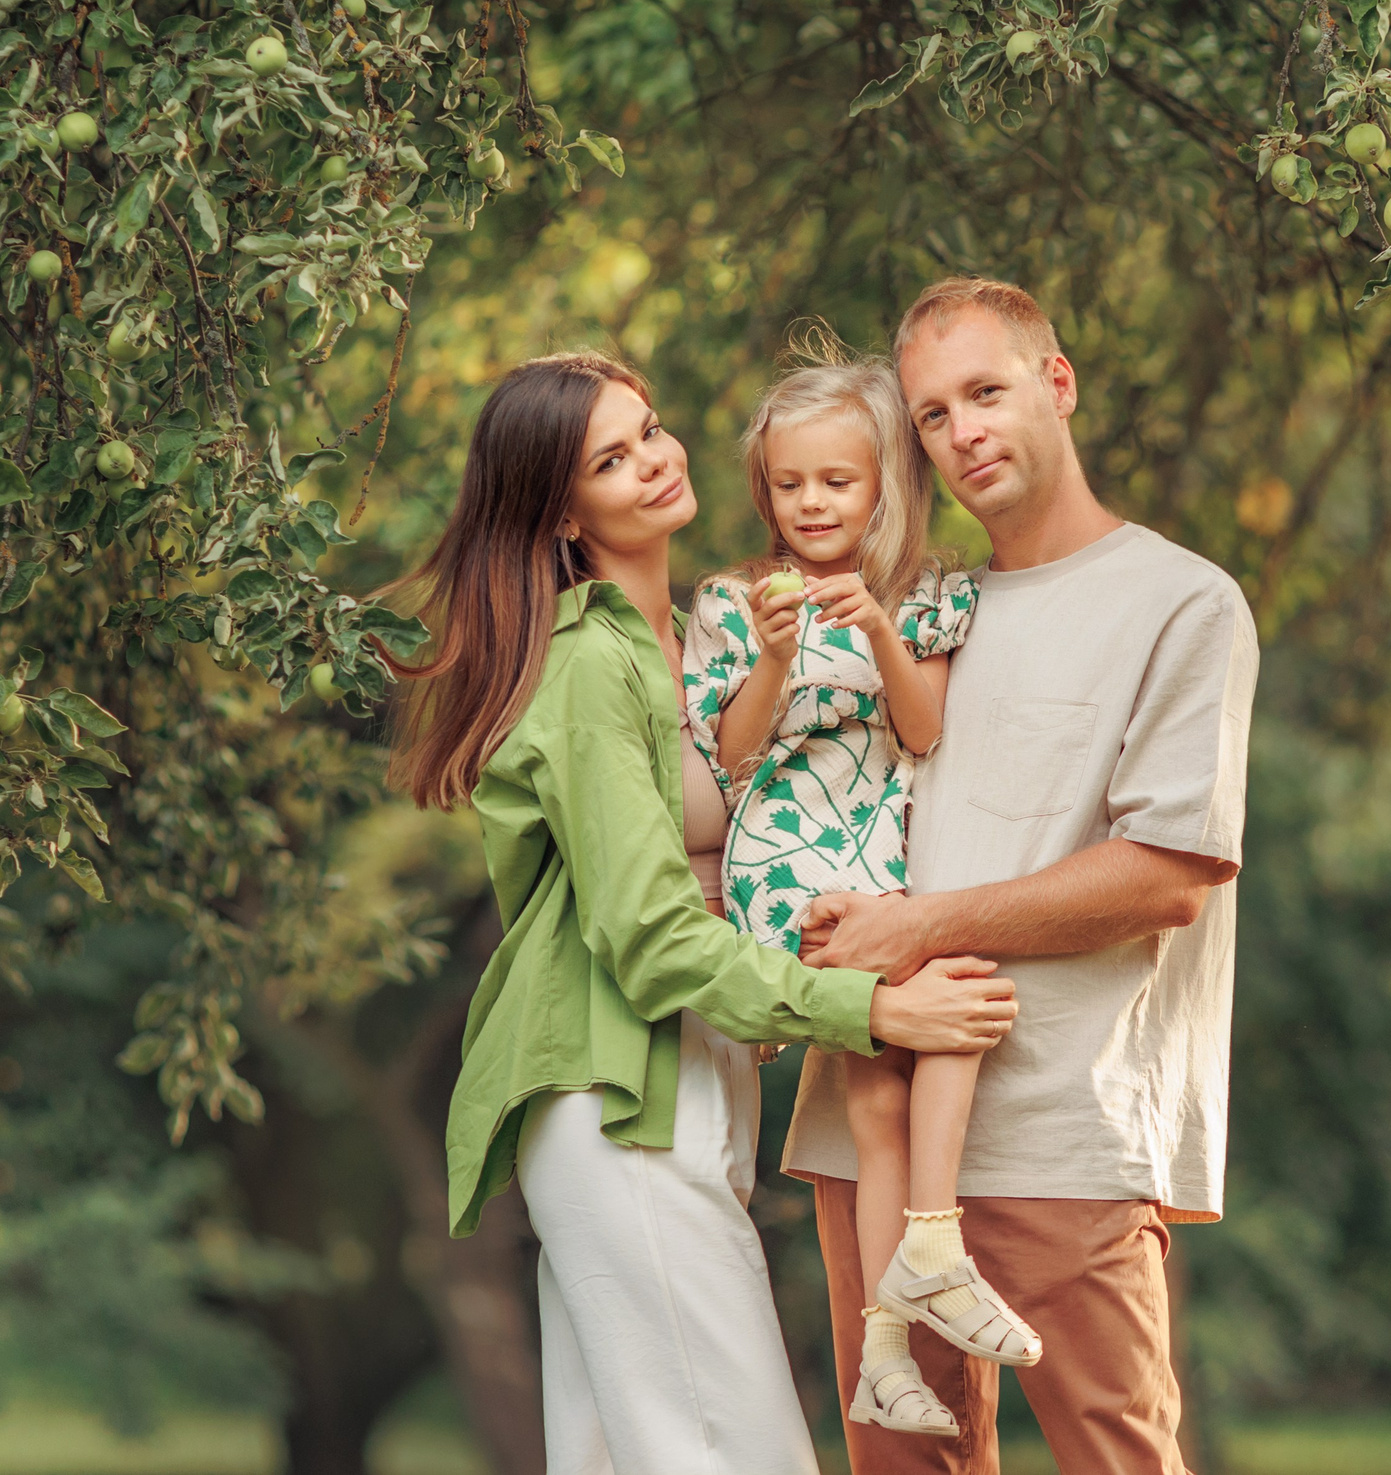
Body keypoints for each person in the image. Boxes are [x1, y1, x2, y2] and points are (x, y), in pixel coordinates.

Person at [391, 350, 1022, 1475]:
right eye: (610, 459)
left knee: (612, 1456)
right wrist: (873, 1011)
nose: (653, 462)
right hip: (617, 1101)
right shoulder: (587, 666)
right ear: (558, 512)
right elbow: (648, 935)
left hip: (685, 1085)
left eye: (651, 428)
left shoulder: (693, 639)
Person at [784, 279, 1261, 1475]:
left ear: (1058, 383)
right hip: (874, 1115)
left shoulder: (1181, 602)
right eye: (933, 416)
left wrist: (918, 926)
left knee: (1120, 1461)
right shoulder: (909, 606)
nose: (963, 434)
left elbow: (1166, 876)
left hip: (1064, 1124)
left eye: (985, 393)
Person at [683, 354, 1030, 1443]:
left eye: (836, 482)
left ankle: (886, 1348)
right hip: (789, 867)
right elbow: (733, 761)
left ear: (883, 482)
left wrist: (875, 629)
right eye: (789, 486)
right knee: (959, 994)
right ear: (765, 491)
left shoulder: (926, 596)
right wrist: (778, 661)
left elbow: (923, 731)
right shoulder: (735, 603)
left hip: (884, 867)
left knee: (880, 1111)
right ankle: (935, 1245)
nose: (812, 506)